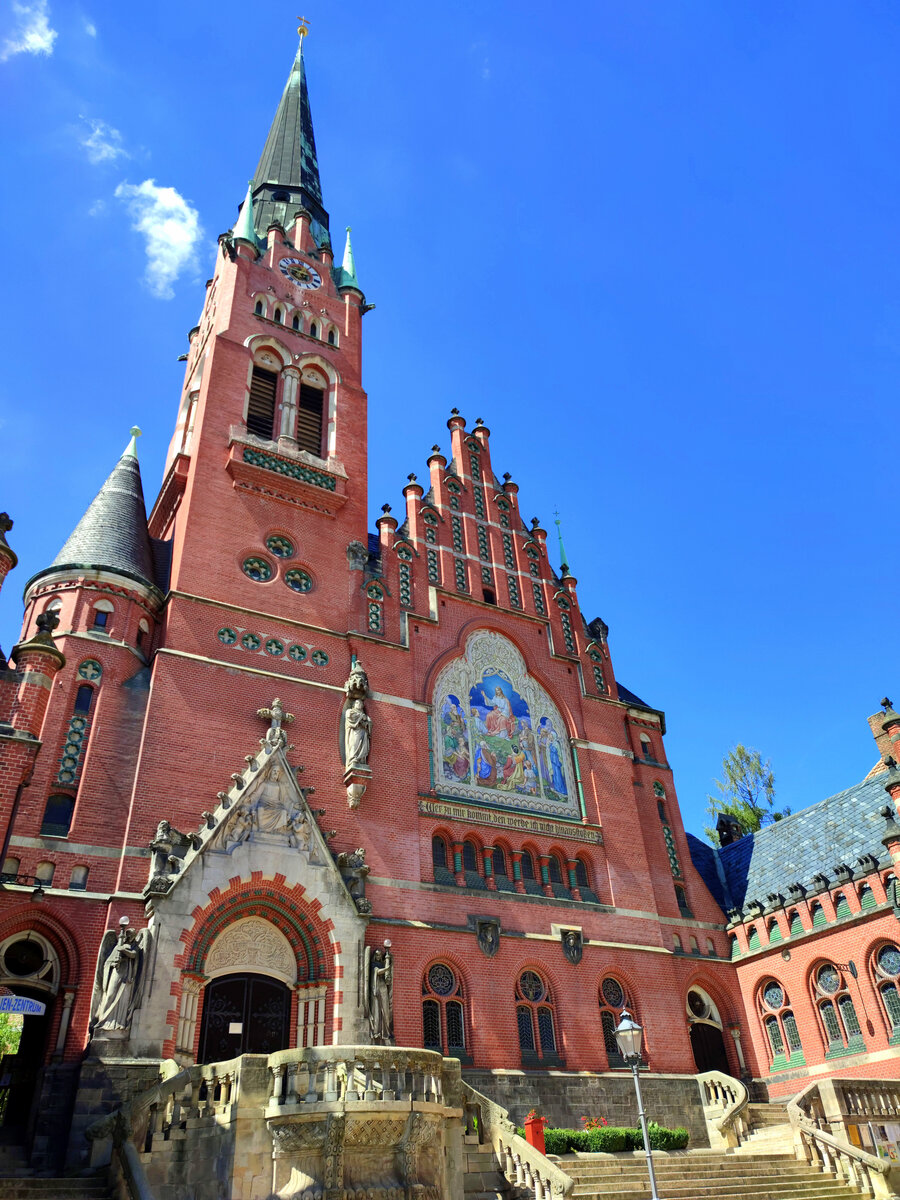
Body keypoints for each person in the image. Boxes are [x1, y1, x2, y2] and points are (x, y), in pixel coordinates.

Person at [345, 699, 372, 769]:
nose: (359, 704)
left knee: (362, 746)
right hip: (354, 732)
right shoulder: (350, 711)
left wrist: (368, 723)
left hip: (363, 732)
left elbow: (369, 724)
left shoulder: (365, 715)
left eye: (361, 703)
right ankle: (353, 758)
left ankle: (361, 759)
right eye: (357, 703)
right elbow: (349, 717)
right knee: (354, 744)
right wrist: (361, 716)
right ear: (354, 705)